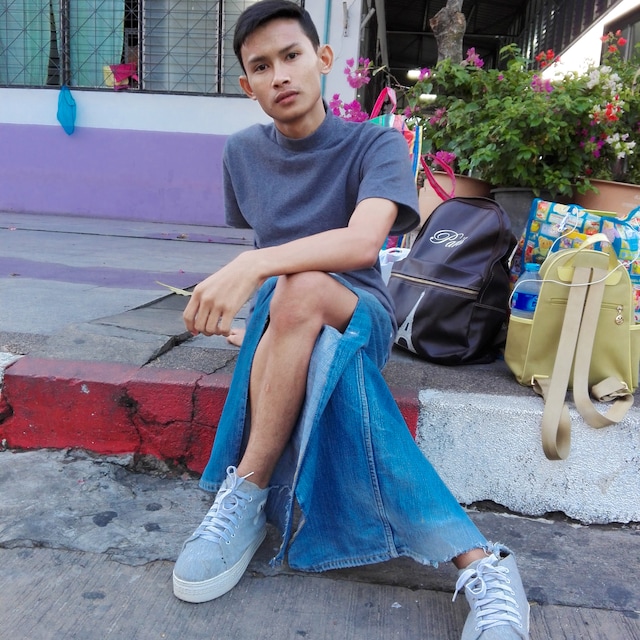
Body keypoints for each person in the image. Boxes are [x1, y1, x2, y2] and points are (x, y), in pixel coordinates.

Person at [173, 2, 530, 638]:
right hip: (285, 313)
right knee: (304, 317)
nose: (281, 75)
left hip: (359, 309)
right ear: (247, 86)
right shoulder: (242, 153)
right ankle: (483, 563)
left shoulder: (376, 142)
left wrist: (254, 266)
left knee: (303, 288)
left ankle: (248, 489)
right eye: (262, 66)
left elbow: (364, 244)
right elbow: (273, 247)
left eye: (292, 56)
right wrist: (258, 309)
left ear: (324, 60)